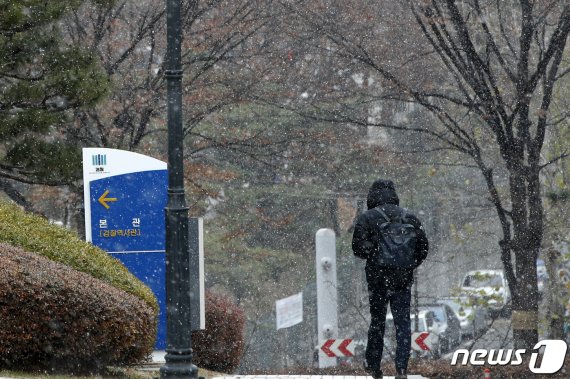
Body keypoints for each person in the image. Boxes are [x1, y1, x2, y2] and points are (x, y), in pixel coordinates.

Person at [352, 179, 429, 379]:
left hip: (377, 278)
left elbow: (358, 249)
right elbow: (423, 249)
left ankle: (374, 366)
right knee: (402, 322)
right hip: (402, 279)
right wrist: (407, 265)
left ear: (372, 196)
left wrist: (375, 252)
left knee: (377, 321)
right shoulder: (410, 218)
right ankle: (401, 367)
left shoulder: (367, 218)